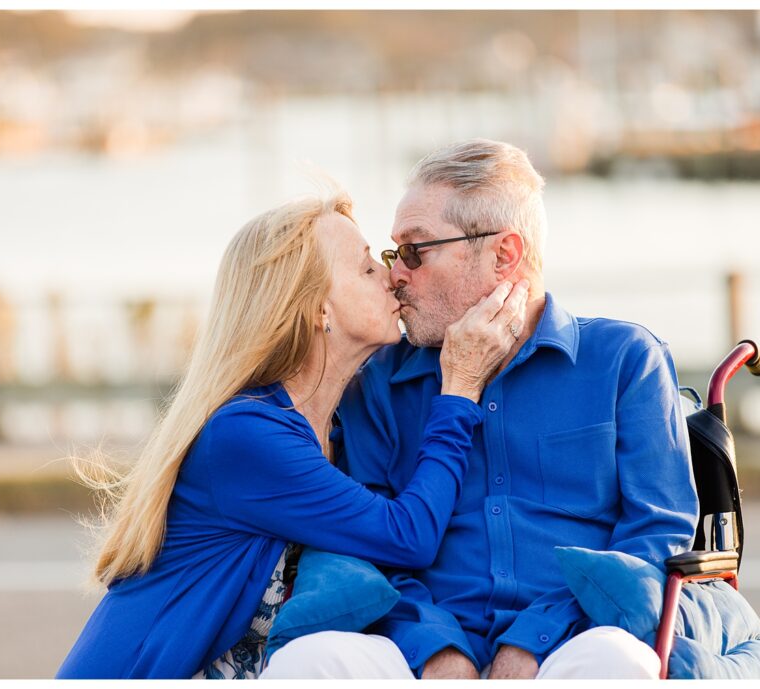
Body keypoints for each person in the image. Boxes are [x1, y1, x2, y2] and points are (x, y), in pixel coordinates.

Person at [261, 140, 699, 680]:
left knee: (616, 660)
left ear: (504, 255)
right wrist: (436, 648)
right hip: (417, 652)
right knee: (309, 661)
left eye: (417, 251)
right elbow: (371, 547)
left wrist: (533, 642)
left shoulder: (625, 361)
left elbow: (655, 537)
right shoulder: (378, 382)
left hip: (577, 640)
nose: (396, 274)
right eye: (394, 253)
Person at [56, 188, 529, 678]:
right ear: (317, 309)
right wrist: (460, 388)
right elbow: (408, 537)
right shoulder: (245, 437)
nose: (392, 277)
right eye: (367, 268)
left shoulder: (337, 434)